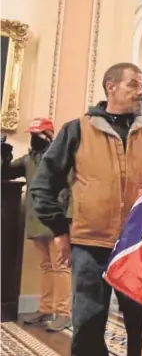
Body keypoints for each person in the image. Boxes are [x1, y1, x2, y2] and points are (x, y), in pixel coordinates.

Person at [30, 63, 142, 356]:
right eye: (133, 84)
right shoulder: (77, 129)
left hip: (138, 248)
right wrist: (60, 231)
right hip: (89, 246)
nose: (141, 91)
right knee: (88, 328)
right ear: (111, 87)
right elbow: (43, 186)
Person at [1, 118, 72, 332]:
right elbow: (6, 173)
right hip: (36, 219)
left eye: (38, 134)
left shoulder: (61, 157)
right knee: (47, 266)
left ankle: (63, 312)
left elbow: (71, 188)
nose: (34, 138)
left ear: (49, 135)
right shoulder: (28, 159)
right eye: (31, 134)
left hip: (56, 219)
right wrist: (4, 155)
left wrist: (67, 220)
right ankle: (46, 308)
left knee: (60, 267)